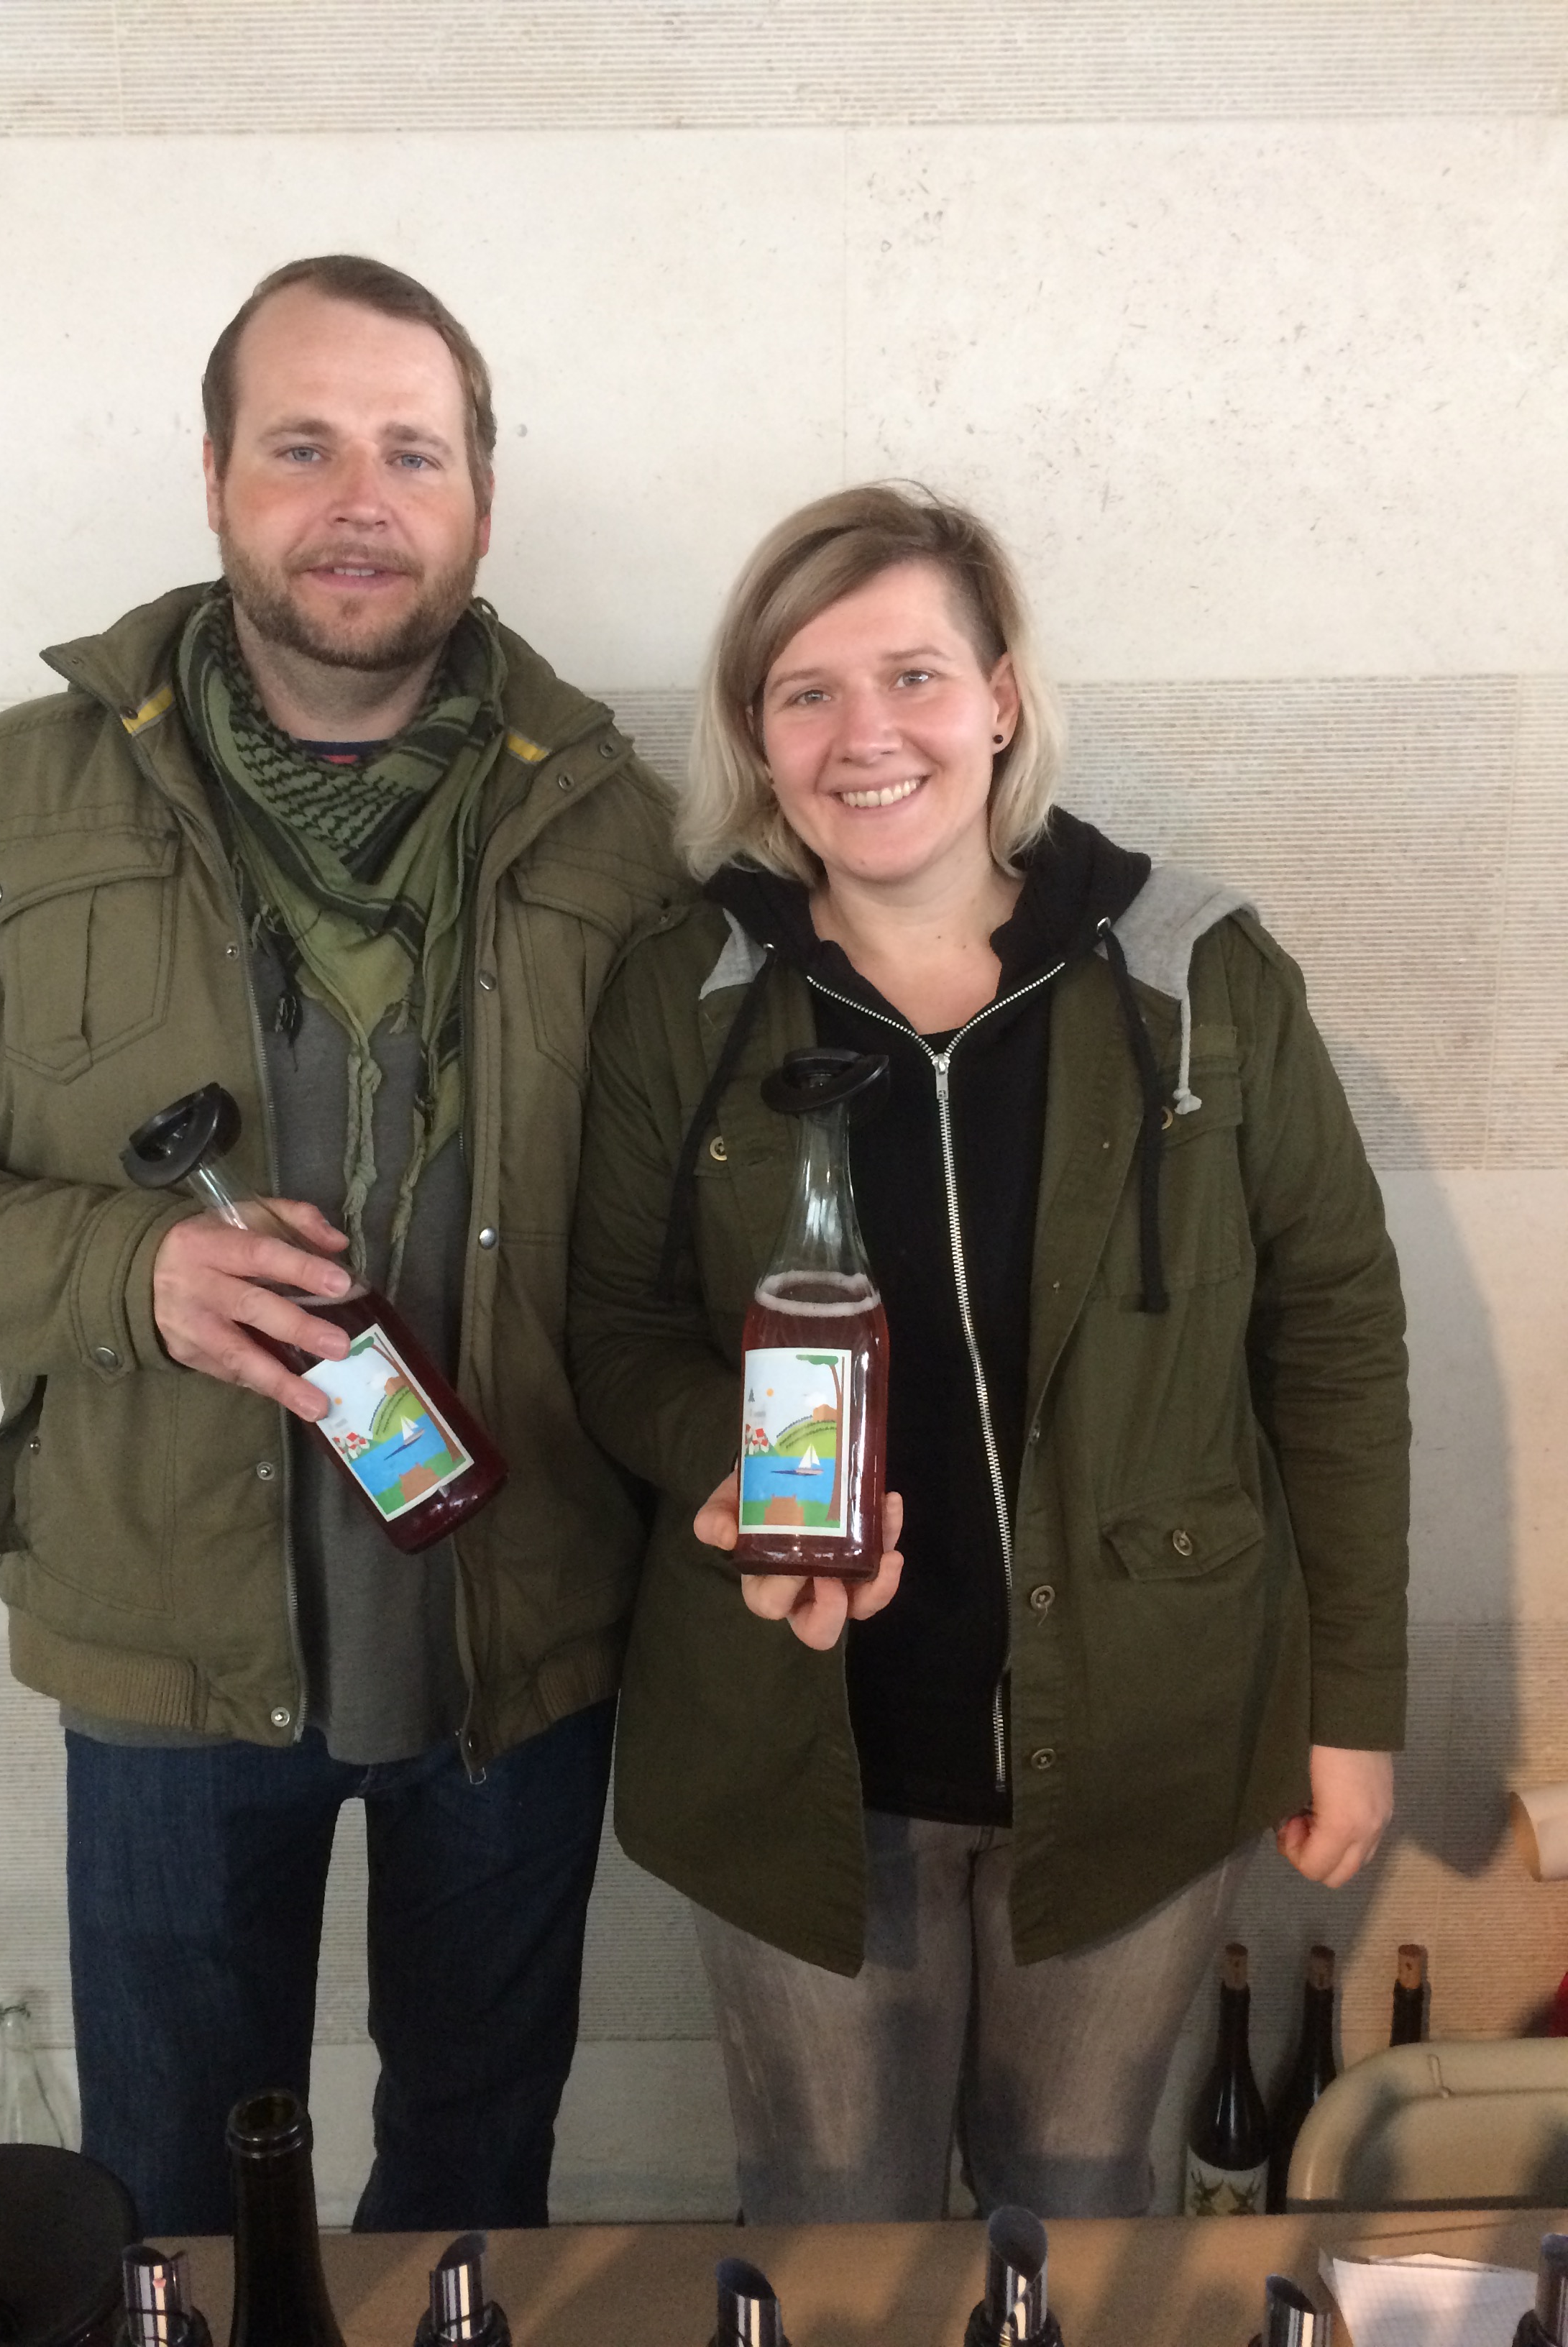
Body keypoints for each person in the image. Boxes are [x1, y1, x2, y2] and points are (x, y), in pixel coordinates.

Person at [0, 255, 683, 2232]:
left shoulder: (614, 828)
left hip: (518, 1630)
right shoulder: (6, 802)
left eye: (413, 452)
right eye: (303, 447)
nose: (360, 500)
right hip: (168, 1655)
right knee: (180, 2216)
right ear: (213, 477)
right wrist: (134, 1277)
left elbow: (680, 1239)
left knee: (476, 2184)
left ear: (481, 500)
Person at [568, 483, 1407, 2220]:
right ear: (756, 733)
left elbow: (1334, 1338)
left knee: (1075, 2222)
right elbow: (616, 1328)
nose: (865, 735)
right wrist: (733, 1472)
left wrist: (1354, 1711)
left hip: (1142, 1746)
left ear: (1003, 698)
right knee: (831, 2235)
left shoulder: (1200, 978)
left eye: (915, 676)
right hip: (801, 1755)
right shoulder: (683, 995)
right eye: (807, 692)